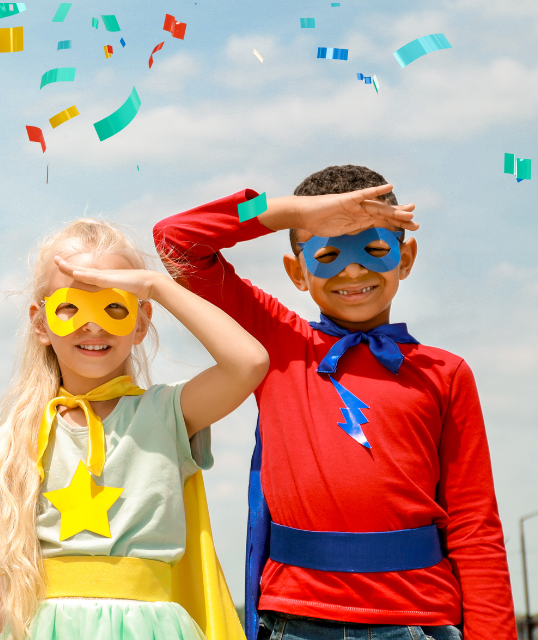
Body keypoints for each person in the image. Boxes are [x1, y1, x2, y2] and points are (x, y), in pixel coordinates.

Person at [153, 165, 515, 639]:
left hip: (419, 621)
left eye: (376, 249)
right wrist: (290, 212)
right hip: (296, 621)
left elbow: (475, 525)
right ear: (297, 272)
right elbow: (176, 241)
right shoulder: (277, 341)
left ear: (406, 259)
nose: (353, 269)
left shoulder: (445, 375)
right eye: (327, 253)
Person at [0, 219, 267, 640]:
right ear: (41, 324)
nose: (93, 326)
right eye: (70, 307)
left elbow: (249, 363)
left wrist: (156, 286)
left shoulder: (167, 413)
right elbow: (4, 566)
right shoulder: (20, 431)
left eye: (115, 307)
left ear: (141, 322)